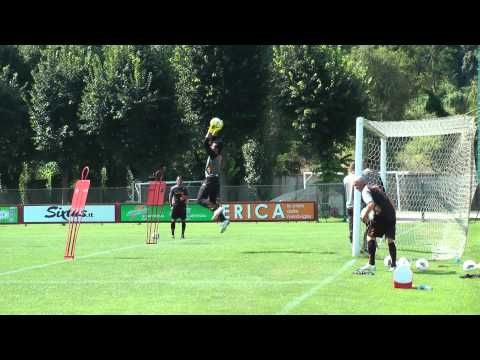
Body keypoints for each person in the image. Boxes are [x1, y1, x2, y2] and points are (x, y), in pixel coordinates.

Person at [353, 175, 398, 273]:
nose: (355, 188)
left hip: (381, 215)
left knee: (370, 237)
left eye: (356, 185)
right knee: (390, 239)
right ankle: (394, 265)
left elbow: (371, 204)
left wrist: (364, 216)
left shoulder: (365, 190)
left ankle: (371, 264)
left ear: (362, 183)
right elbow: (388, 198)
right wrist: (392, 211)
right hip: (391, 214)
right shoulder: (376, 188)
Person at [196, 123, 230, 233]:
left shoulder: (213, 155)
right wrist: (215, 130)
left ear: (216, 149)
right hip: (215, 181)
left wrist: (210, 128)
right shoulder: (217, 154)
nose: (212, 146)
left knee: (200, 200)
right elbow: (211, 141)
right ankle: (224, 220)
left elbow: (205, 143)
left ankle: (218, 209)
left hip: (210, 180)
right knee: (211, 202)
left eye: (214, 146)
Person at [343, 162, 356, 244]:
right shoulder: (358, 177)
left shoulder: (346, 178)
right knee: (368, 222)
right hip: (358, 204)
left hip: (349, 203)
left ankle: (352, 236)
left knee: (351, 221)